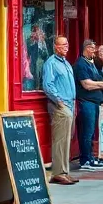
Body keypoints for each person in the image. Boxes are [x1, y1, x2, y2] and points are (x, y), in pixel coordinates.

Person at [41, 35, 78, 185]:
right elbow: (48, 85)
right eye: (62, 45)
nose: (66, 47)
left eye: (67, 44)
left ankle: (65, 171)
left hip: (70, 104)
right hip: (60, 106)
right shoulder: (51, 63)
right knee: (60, 140)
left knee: (66, 140)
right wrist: (59, 102)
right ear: (55, 46)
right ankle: (58, 173)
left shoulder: (67, 64)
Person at [74, 39, 103, 170]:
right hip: (86, 102)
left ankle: (91, 157)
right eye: (92, 48)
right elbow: (86, 84)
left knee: (92, 132)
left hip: (95, 102)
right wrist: (102, 85)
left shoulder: (92, 63)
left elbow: (99, 78)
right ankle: (85, 160)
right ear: (86, 48)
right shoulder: (81, 64)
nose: (94, 51)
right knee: (87, 132)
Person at [25, 24, 49, 91]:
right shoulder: (29, 40)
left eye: (38, 31)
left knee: (41, 75)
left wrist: (40, 42)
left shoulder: (43, 41)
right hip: (32, 61)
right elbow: (28, 52)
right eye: (34, 31)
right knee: (34, 75)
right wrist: (34, 41)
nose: (36, 33)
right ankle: (35, 87)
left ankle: (40, 87)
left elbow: (46, 54)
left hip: (41, 62)